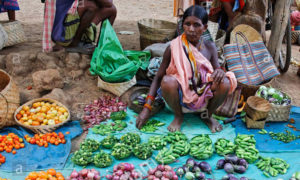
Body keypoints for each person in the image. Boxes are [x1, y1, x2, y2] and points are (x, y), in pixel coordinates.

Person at [136, 5, 237, 133]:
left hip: (203, 94)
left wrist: (220, 72)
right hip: (179, 98)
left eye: (196, 25)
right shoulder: (173, 47)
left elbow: (218, 71)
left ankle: (207, 115)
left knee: (226, 82)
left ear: (205, 27)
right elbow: (158, 78)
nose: (191, 29)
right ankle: (178, 116)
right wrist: (146, 109)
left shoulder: (210, 47)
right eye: (187, 24)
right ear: (182, 26)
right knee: (167, 81)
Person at [43, 0, 117, 54]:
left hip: (68, 23)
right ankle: (74, 43)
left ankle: (100, 47)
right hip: (62, 32)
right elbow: (107, 3)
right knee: (90, 6)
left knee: (111, 10)